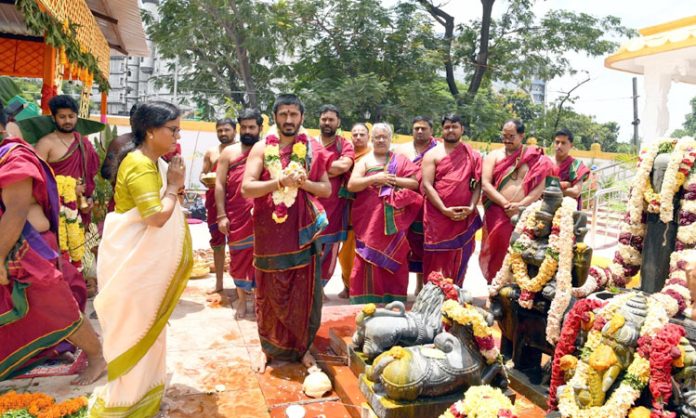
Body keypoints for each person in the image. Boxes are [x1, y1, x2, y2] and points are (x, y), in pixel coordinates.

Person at [90, 102, 193, 417]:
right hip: (131, 264)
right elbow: (155, 218)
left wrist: (172, 188)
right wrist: (173, 187)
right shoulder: (139, 164)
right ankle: (123, 406)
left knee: (149, 329)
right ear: (150, 131)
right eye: (172, 129)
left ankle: (144, 398)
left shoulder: (151, 161)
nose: (178, 135)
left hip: (140, 264)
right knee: (135, 331)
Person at [0, 106, 105, 386]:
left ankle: (97, 357)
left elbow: (16, 211)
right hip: (9, 246)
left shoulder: (15, 158)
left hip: (27, 248)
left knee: (59, 308)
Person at [241, 94, 331, 373]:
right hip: (270, 232)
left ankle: (302, 348)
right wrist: (279, 180)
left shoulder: (312, 149)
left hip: (301, 232)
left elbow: (325, 189)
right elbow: (247, 188)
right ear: (275, 117)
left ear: (302, 117)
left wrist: (304, 184)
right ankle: (266, 349)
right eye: (283, 114)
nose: (289, 120)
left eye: (294, 114)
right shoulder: (260, 148)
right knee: (268, 292)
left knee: (303, 290)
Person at [347, 123, 422, 304]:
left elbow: (415, 183)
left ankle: (393, 300)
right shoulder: (364, 161)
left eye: (384, 137)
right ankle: (365, 302)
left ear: (391, 139)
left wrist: (392, 180)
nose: (381, 140)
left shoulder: (401, 160)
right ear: (372, 140)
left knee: (396, 257)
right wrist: (374, 178)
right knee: (366, 260)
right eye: (377, 137)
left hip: (394, 223)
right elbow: (351, 185)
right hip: (368, 222)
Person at [479, 119, 556, 283]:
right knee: (497, 250)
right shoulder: (494, 156)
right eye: (504, 136)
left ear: (522, 136)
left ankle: (515, 288)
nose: (507, 140)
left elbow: (539, 187)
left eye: (511, 136)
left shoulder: (535, 158)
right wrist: (505, 204)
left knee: (520, 251)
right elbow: (485, 184)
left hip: (524, 213)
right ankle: (494, 287)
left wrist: (521, 206)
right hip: (498, 212)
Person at [34, 95, 100, 270]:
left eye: (71, 116)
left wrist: (88, 197)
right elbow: (37, 179)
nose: (67, 121)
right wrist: (70, 188)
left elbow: (90, 175)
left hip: (79, 205)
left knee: (77, 251)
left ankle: (76, 280)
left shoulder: (83, 142)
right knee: (56, 251)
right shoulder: (46, 143)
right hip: (53, 209)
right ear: (54, 118)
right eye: (62, 117)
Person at [421, 114, 483, 287]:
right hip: (437, 216)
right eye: (447, 126)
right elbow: (427, 184)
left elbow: (478, 184)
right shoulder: (432, 154)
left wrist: (471, 207)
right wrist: (443, 209)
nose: (450, 130)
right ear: (442, 130)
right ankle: (432, 294)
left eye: (454, 126)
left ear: (462, 129)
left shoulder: (473, 155)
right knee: (435, 257)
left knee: (461, 255)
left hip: (464, 216)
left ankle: (455, 293)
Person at [215, 109, 261, 319]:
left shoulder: (268, 151)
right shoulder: (229, 153)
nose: (248, 131)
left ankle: (260, 302)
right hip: (236, 215)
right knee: (239, 257)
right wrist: (221, 215)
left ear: (260, 128)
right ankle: (242, 301)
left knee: (262, 258)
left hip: (263, 216)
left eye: (252, 127)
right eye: (244, 127)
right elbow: (219, 184)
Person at [393, 116, 438, 294]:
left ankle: (421, 285)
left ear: (431, 131)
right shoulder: (402, 150)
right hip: (405, 203)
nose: (420, 131)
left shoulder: (438, 150)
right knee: (405, 243)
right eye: (416, 128)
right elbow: (392, 171)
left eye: (424, 128)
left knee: (423, 244)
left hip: (428, 204)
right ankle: (402, 285)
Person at [316, 105, 354, 291]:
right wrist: (332, 167)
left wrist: (315, 169)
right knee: (308, 248)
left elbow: (343, 167)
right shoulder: (308, 142)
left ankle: (320, 287)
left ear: (338, 122)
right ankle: (309, 286)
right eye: (324, 119)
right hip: (309, 205)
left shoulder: (343, 144)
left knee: (330, 250)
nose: (327, 123)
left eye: (331, 119)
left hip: (335, 208)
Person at [202, 118, 236, 294]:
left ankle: (242, 285)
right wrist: (206, 179)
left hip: (236, 202)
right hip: (214, 201)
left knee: (239, 243)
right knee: (217, 242)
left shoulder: (241, 151)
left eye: (227, 130)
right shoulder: (211, 152)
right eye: (220, 130)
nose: (223, 133)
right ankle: (219, 282)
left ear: (235, 131)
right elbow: (203, 173)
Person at [337, 123, 372, 299]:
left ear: (368, 137)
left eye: (362, 134)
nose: (358, 137)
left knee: (362, 250)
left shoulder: (372, 156)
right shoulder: (347, 155)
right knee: (345, 253)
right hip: (346, 207)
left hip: (367, 208)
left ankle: (359, 287)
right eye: (355, 134)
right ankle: (347, 284)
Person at [554, 128, 590, 209]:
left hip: (566, 212)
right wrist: (566, 185)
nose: (559, 146)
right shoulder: (546, 163)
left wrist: (551, 190)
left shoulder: (576, 165)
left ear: (571, 145)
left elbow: (576, 192)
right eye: (557, 142)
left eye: (563, 143)